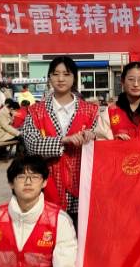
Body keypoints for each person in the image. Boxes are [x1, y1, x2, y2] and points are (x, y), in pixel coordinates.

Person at [21, 56, 99, 223]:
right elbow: (32, 145)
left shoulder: (91, 111)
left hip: (81, 185)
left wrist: (94, 137)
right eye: (56, 74)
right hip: (47, 184)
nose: (61, 79)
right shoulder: (35, 111)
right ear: (49, 77)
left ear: (74, 78)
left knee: (79, 232)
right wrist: (64, 140)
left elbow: (101, 146)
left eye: (66, 74)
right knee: (48, 232)